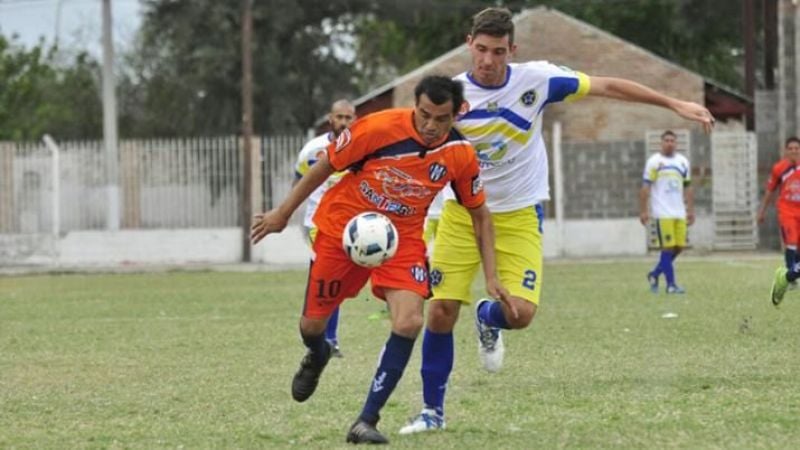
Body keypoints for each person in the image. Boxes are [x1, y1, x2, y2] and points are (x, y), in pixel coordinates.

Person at [401, 7, 715, 434]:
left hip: (520, 212)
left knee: (521, 315)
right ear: (468, 45)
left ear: (512, 49)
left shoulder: (539, 79)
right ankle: (432, 412)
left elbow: (607, 86)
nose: (488, 60)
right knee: (439, 311)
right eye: (481, 50)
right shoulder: (450, 97)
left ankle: (487, 319)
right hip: (461, 212)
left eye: (498, 51)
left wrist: (673, 103)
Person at [251, 75, 510, 444]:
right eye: (424, 115)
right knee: (311, 328)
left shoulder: (460, 154)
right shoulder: (377, 127)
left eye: (442, 119)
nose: (431, 126)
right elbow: (325, 165)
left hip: (402, 240)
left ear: (456, 115)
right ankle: (318, 353)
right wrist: (282, 213)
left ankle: (366, 421)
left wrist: (492, 275)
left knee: (409, 322)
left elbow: (480, 214)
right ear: (414, 105)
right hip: (343, 230)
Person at [293, 99, 356, 357]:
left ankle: (325, 337)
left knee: (337, 280)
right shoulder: (314, 149)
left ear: (355, 119)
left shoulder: (363, 147)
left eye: (348, 117)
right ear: (330, 118)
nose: (343, 122)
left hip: (352, 224)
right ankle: (326, 338)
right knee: (329, 277)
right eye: (338, 117)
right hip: (317, 224)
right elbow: (299, 182)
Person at [640, 130, 694, 294]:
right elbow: (645, 187)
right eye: (667, 140)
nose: (670, 143)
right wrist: (643, 210)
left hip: (679, 212)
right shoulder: (654, 162)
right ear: (661, 143)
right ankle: (671, 285)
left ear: (676, 144)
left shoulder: (683, 162)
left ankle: (655, 274)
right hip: (662, 213)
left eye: (672, 141)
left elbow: (688, 187)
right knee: (667, 248)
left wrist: (690, 210)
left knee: (678, 248)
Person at [759, 136, 800, 305]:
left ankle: (787, 276)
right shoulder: (779, 168)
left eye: (796, 148)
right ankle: (790, 276)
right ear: (785, 150)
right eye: (790, 148)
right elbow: (770, 190)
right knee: (790, 242)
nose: (794, 151)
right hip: (787, 211)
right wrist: (761, 211)